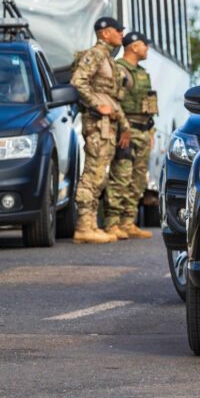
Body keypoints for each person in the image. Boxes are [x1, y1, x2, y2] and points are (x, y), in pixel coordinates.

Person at [69, 17, 132, 244]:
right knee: (92, 174)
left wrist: (124, 126)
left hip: (108, 126)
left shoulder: (108, 58)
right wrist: (96, 105)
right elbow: (78, 82)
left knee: (100, 175)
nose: (121, 34)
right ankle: (84, 226)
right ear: (105, 33)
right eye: (118, 30)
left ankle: (92, 225)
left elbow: (112, 98)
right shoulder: (95, 54)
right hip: (97, 124)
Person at [105, 31, 158, 240]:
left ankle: (128, 222)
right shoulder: (119, 70)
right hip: (125, 131)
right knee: (121, 176)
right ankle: (112, 223)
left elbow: (149, 104)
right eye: (145, 45)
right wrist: (122, 129)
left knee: (137, 180)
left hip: (143, 130)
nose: (147, 49)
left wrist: (151, 130)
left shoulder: (143, 73)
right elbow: (114, 102)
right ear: (134, 46)